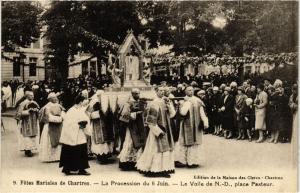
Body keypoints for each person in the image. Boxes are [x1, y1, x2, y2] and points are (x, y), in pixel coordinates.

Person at [136, 86, 176, 178]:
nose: (162, 92)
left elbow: (173, 114)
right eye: (160, 90)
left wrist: (170, 106)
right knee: (155, 150)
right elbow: (150, 121)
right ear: (156, 91)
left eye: (163, 90)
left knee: (166, 150)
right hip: (157, 131)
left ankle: (164, 169)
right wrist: (158, 131)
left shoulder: (166, 101)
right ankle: (153, 169)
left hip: (167, 129)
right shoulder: (154, 104)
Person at [174, 86, 208, 168]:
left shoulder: (198, 100)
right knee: (184, 143)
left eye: (192, 90)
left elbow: (202, 112)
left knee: (195, 144)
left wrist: (205, 122)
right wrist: (182, 105)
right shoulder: (183, 100)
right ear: (185, 91)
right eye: (189, 90)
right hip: (186, 125)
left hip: (196, 125)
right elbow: (182, 113)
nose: (191, 92)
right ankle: (182, 161)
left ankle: (193, 161)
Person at [59, 95, 92, 175]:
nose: (84, 105)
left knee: (81, 150)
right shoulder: (71, 111)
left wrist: (84, 124)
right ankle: (67, 169)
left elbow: (84, 119)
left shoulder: (80, 110)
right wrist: (78, 125)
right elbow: (68, 123)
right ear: (80, 102)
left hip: (80, 134)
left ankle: (81, 169)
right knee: (70, 150)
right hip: (72, 135)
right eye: (83, 103)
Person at [118, 88, 147, 171]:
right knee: (130, 143)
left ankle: (137, 161)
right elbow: (124, 115)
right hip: (131, 127)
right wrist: (136, 114)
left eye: (139, 93)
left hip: (139, 126)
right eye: (136, 94)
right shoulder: (128, 103)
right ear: (133, 94)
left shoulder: (140, 102)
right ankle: (127, 164)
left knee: (140, 143)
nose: (138, 95)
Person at [86, 90, 114, 164]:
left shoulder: (106, 101)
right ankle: (100, 156)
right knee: (100, 141)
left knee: (106, 141)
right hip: (98, 123)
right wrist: (97, 114)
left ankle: (106, 155)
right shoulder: (94, 102)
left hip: (106, 124)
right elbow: (88, 112)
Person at [38, 92, 65, 162]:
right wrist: (59, 119)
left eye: (56, 97)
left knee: (59, 141)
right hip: (50, 126)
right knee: (49, 141)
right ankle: (50, 157)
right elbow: (48, 117)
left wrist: (62, 117)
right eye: (54, 97)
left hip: (59, 126)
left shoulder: (59, 105)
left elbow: (63, 113)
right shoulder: (47, 107)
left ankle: (58, 156)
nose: (56, 98)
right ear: (50, 99)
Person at [15, 91, 39, 157]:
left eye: (33, 95)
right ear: (27, 96)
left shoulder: (35, 102)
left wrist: (37, 111)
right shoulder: (23, 103)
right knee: (27, 136)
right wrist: (28, 111)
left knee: (33, 135)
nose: (33, 96)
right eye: (31, 95)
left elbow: (39, 111)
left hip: (33, 121)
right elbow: (18, 114)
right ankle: (27, 150)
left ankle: (31, 148)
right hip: (26, 122)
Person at [289, 84, 298, 167]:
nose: (293, 91)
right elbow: (290, 103)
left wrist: (295, 105)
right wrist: (292, 105)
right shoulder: (292, 96)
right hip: (294, 113)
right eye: (293, 90)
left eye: (294, 90)